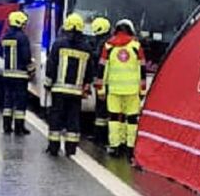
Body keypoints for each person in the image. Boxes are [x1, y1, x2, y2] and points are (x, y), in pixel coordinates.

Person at [43, 13, 95, 157]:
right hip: (76, 92)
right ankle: (71, 149)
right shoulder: (86, 48)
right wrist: (86, 86)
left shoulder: (58, 44)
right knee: (73, 119)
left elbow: (51, 65)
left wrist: (48, 83)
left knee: (56, 118)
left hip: (59, 90)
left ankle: (53, 148)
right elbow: (90, 71)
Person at [95, 19, 146, 163]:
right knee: (131, 119)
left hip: (114, 90)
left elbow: (102, 69)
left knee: (114, 118)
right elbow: (142, 70)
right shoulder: (136, 46)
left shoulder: (109, 46)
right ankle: (129, 148)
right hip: (132, 91)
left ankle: (115, 146)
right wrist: (142, 91)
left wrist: (100, 90)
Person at [0, 10, 34, 135]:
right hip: (20, 75)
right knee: (20, 101)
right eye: (24, 23)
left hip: (8, 74)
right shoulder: (23, 37)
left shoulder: (5, 37)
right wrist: (31, 69)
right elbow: (26, 56)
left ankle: (6, 126)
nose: (25, 26)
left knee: (8, 100)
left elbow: (1, 53)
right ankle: (19, 127)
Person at [90, 16, 112, 147]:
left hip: (103, 80)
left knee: (101, 111)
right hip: (108, 80)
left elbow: (98, 57)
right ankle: (100, 136)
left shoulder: (103, 43)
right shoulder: (108, 41)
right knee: (102, 110)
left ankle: (99, 137)